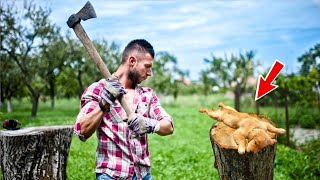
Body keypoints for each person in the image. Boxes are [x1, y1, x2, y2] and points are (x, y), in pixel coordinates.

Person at [74, 39, 174, 180]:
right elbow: (82, 131)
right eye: (147, 66)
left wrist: (150, 124)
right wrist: (104, 103)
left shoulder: (147, 94)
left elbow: (169, 126)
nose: (150, 72)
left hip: (143, 176)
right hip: (111, 175)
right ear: (132, 61)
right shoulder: (98, 90)